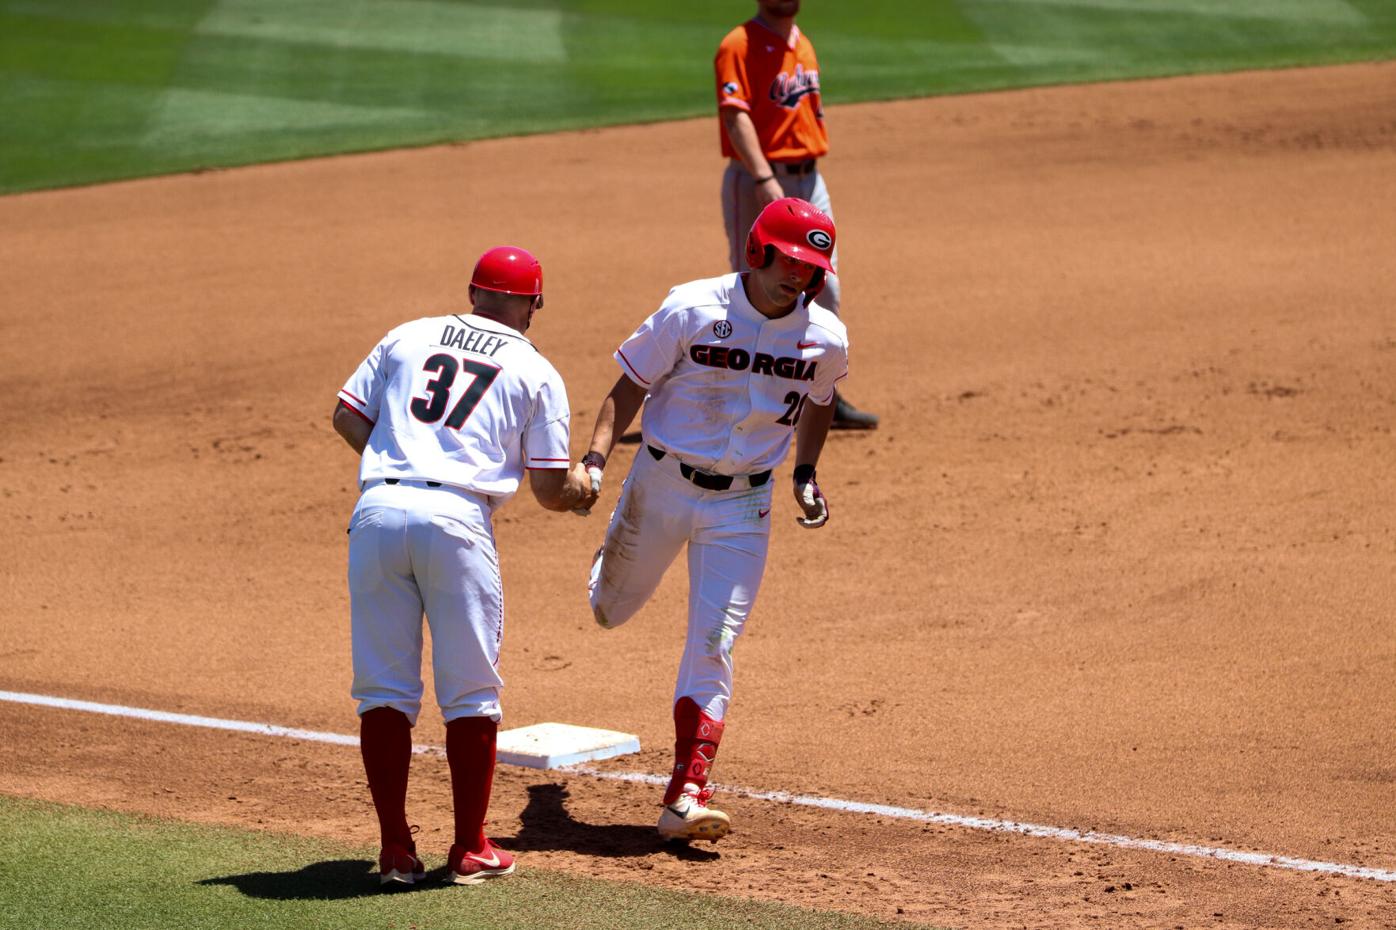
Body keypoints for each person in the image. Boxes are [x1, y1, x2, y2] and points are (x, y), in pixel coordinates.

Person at [581, 198, 846, 843]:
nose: (798, 277)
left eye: (811, 268)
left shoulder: (826, 338)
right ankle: (614, 555)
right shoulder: (693, 307)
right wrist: (593, 458)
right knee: (608, 608)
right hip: (661, 484)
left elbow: (820, 401)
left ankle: (685, 794)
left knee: (714, 643)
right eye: (788, 261)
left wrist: (805, 473)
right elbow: (630, 386)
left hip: (743, 506)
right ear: (758, 251)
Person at [332, 246, 598, 886]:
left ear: (474, 291)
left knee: (383, 691)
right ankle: (471, 847)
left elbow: (346, 414)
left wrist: (404, 458)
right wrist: (582, 490)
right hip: (455, 521)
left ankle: (395, 850)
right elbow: (547, 488)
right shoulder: (536, 369)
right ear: (533, 304)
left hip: (377, 509)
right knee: (471, 693)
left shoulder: (408, 334)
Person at [715, 0, 878, 430]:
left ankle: (820, 394)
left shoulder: (801, 42)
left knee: (825, 289)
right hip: (760, 179)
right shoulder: (738, 44)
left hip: (809, 179)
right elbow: (736, 116)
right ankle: (748, 397)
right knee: (758, 289)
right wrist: (764, 177)